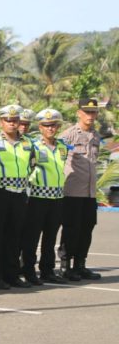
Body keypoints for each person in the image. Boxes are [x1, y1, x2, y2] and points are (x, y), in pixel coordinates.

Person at [0, 104, 35, 289]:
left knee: (14, 236)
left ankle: (11, 274)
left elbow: (33, 164)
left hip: (19, 193)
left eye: (15, 120)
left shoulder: (28, 143)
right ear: (0, 122)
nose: (12, 124)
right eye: (8, 120)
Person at [58, 97, 104, 281]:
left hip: (89, 192)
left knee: (87, 228)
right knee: (71, 228)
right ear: (79, 113)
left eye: (93, 112)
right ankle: (65, 266)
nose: (91, 116)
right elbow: (58, 160)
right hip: (72, 191)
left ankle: (80, 264)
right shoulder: (68, 135)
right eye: (87, 112)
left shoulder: (96, 136)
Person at [21, 109, 69, 285]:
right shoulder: (32, 146)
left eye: (53, 125)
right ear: (40, 127)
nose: (50, 128)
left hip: (56, 198)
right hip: (37, 197)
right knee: (32, 237)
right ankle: (28, 270)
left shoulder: (62, 147)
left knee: (50, 237)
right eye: (46, 125)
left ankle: (47, 270)